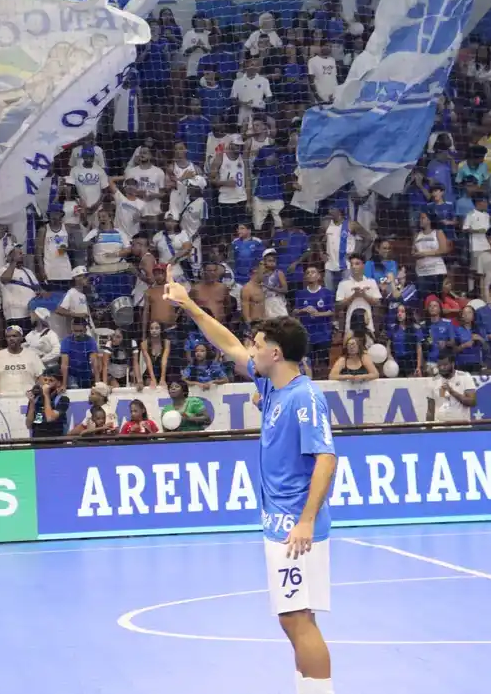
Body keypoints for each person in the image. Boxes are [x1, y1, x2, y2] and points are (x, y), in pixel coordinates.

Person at [161, 281, 336, 694]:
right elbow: (227, 345)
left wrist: (306, 522)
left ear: (275, 353)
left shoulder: (304, 398)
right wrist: (188, 304)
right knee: (292, 617)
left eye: (256, 344)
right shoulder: (272, 386)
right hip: (280, 522)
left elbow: (326, 458)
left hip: (295, 527)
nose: (249, 349)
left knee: (297, 618)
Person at [0, 325, 45, 397]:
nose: (11, 339)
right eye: (8, 336)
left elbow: (41, 376)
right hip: (4, 399)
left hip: (28, 399)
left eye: (14, 336)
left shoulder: (32, 355)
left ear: (21, 337)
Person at [26, 373, 70, 438]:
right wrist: (32, 403)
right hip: (37, 442)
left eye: (51, 380)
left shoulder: (63, 400)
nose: (47, 383)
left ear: (58, 383)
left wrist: (46, 395)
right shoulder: (36, 400)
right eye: (45, 380)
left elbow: (50, 418)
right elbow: (28, 425)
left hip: (55, 442)